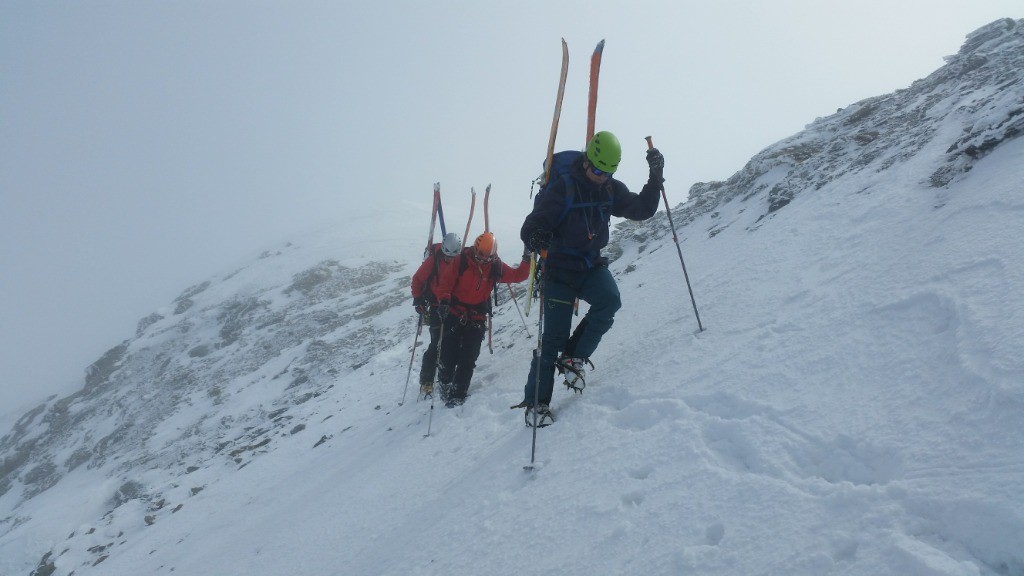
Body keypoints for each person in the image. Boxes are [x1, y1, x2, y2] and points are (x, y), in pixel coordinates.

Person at [515, 130, 665, 426]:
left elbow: (642, 209)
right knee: (552, 340)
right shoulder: (564, 188)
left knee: (609, 301)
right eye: (596, 169)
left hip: (589, 265)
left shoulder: (610, 189)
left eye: (607, 172)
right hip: (558, 270)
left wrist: (655, 177)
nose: (600, 176)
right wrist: (537, 236)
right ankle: (536, 405)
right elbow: (530, 227)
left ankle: (574, 357)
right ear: (586, 161)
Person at [432, 232, 532, 407]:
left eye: (487, 258)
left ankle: (458, 394)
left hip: (476, 317)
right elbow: (445, 283)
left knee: (468, 358)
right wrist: (444, 301)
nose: (481, 261)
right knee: (448, 356)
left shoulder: (495, 267)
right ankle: (445, 381)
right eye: (479, 256)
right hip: (454, 313)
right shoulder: (461, 260)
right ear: (475, 249)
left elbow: (518, 276)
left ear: (493, 256)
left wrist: (527, 257)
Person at [410, 232, 462, 398]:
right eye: (447, 257)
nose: (449, 260)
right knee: (436, 344)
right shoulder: (433, 261)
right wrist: (418, 299)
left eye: (453, 257)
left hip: (453, 307)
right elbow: (417, 279)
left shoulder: (459, 261)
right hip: (435, 307)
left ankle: (446, 374)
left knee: (452, 342)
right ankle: (427, 380)